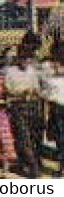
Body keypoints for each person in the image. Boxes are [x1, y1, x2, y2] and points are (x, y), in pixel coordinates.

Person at [8, 42, 46, 177]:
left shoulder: (32, 71)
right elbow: (8, 91)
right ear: (18, 58)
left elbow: (37, 87)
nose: (26, 61)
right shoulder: (11, 72)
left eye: (28, 58)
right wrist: (20, 93)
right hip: (18, 106)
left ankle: (29, 162)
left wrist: (34, 92)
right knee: (23, 138)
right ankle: (33, 167)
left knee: (35, 136)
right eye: (23, 58)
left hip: (33, 105)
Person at [42, 45, 64, 178]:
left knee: (60, 139)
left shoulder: (51, 72)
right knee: (58, 138)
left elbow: (47, 94)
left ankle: (61, 168)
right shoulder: (51, 71)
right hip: (56, 108)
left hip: (57, 108)